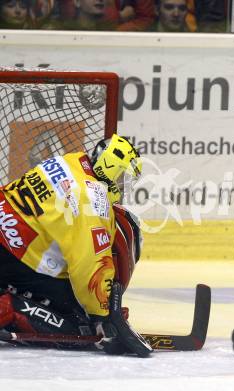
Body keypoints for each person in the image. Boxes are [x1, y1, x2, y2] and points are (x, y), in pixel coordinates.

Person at [0, 134, 150, 356]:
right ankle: (7, 307)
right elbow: (89, 267)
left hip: (7, 233)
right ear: (109, 167)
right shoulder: (91, 196)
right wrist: (105, 316)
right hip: (13, 254)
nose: (121, 186)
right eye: (121, 177)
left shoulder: (69, 161)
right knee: (81, 321)